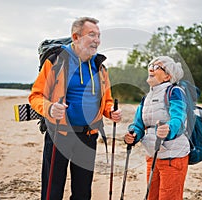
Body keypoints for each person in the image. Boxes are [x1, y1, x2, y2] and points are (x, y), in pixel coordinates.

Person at [29, 17, 122, 200]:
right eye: (92, 35)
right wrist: (50, 108)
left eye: (99, 36)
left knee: (82, 193)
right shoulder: (56, 61)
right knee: (52, 191)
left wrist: (111, 112)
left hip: (88, 136)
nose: (97, 40)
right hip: (59, 134)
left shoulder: (100, 67)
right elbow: (36, 96)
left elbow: (106, 101)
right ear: (76, 36)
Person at [124, 56, 190, 200]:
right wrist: (133, 134)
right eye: (150, 66)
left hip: (173, 156)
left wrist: (169, 129)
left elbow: (179, 118)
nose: (150, 69)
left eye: (156, 67)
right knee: (151, 196)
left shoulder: (175, 91)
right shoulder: (146, 97)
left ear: (168, 76)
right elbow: (139, 123)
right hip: (152, 154)